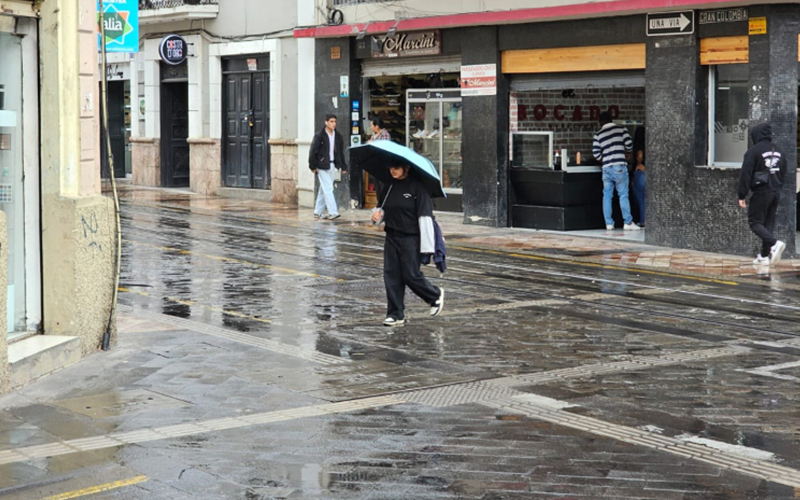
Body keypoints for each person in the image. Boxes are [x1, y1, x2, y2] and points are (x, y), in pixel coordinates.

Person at [371, 164, 444, 327]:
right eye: (391, 168)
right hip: (391, 235)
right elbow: (381, 209)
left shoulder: (418, 187)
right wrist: (376, 216)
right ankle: (395, 313)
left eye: (396, 167)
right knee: (391, 275)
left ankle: (434, 295)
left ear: (406, 168)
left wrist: (427, 248)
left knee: (410, 274)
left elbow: (425, 218)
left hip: (411, 237)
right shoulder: (389, 186)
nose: (392, 170)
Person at [737, 122, 787, 266]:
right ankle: (764, 256)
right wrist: (777, 186)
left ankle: (774, 244)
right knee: (768, 224)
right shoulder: (780, 150)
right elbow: (784, 172)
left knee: (755, 223)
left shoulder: (753, 151)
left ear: (756, 135)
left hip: (761, 191)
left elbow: (745, 175)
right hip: (775, 192)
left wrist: (742, 195)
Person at [593, 112, 639, 231]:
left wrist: (604, 159)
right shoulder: (621, 129)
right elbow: (629, 144)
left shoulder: (598, 135)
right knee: (623, 194)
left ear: (601, 122)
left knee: (607, 196)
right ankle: (628, 222)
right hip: (619, 166)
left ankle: (609, 223)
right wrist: (627, 153)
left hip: (606, 168)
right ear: (611, 120)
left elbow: (596, 153)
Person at [309, 114, 347, 219]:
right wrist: (312, 166)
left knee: (324, 188)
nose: (333, 124)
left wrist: (343, 166)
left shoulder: (338, 136)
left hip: (332, 164)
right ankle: (333, 212)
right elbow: (313, 151)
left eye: (335, 121)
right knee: (328, 188)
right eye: (331, 121)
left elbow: (340, 152)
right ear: (326, 122)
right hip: (321, 165)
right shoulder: (320, 135)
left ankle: (317, 211)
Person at [630, 126, 646, 227]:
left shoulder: (639, 146)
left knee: (640, 199)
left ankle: (643, 220)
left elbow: (640, 155)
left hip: (641, 173)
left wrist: (639, 163)